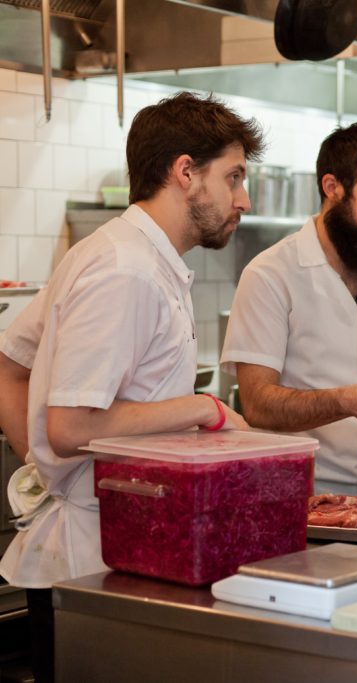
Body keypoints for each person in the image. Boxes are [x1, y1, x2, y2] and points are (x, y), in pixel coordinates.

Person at [0, 91, 259, 683]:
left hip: (123, 545)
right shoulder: (125, 270)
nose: (244, 199)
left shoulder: (126, 255)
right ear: (185, 172)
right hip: (96, 563)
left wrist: (45, 467)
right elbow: (72, 427)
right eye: (235, 177)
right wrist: (203, 409)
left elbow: (9, 364)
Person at [221, 123, 357, 497]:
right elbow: (257, 403)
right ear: (332, 188)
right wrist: (346, 401)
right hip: (301, 497)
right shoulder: (271, 274)